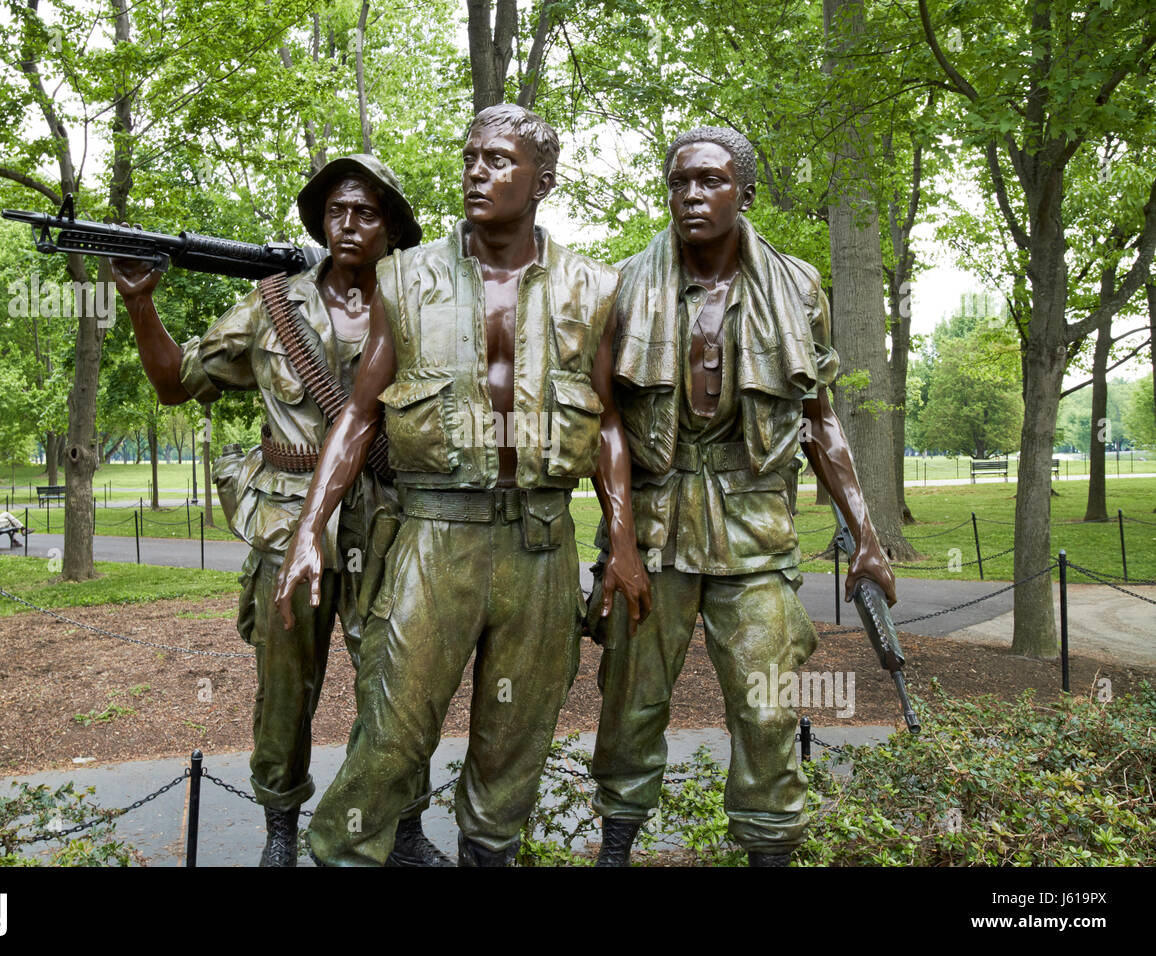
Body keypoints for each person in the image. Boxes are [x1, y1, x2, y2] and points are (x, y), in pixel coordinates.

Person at [276, 104, 652, 866]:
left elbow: (610, 421)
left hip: (542, 543)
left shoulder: (593, 286)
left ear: (543, 181)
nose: (477, 173)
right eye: (471, 158)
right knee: (391, 734)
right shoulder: (406, 277)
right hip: (434, 536)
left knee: (513, 754)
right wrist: (310, 530)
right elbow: (357, 415)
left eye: (499, 162)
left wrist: (623, 543)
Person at [109, 154, 447, 867]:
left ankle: (405, 829)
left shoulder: (420, 307)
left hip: (389, 520)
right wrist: (141, 303)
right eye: (335, 212)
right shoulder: (272, 305)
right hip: (288, 522)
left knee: (397, 681)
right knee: (285, 685)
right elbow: (175, 383)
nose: (348, 224)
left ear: (392, 227)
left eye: (365, 212)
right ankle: (280, 829)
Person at [587, 126, 897, 867]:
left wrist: (868, 534)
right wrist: (619, 545)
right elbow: (604, 422)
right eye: (679, 182)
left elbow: (820, 420)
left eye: (710, 182)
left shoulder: (798, 287)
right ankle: (613, 851)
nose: (691, 195)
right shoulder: (621, 285)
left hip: (754, 525)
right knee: (630, 706)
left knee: (767, 706)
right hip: (654, 527)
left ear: (745, 194)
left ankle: (769, 850)